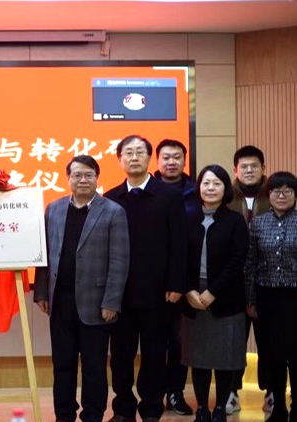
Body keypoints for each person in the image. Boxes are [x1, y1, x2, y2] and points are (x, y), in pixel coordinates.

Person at [34, 155, 130, 422]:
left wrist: (111, 301)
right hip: (60, 302)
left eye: (89, 175)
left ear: (97, 178)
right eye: (77, 175)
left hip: (96, 303)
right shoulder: (54, 209)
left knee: (94, 367)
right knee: (62, 365)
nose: (83, 180)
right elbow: (44, 254)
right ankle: (64, 415)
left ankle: (92, 415)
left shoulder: (113, 211)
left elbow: (120, 261)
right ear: (68, 179)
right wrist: (41, 292)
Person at [104, 134, 187, 422]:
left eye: (140, 151)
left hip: (158, 292)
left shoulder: (169, 196)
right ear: (120, 159)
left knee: (154, 354)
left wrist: (176, 283)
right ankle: (123, 408)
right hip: (120, 293)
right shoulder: (111, 198)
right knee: (121, 355)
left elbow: (179, 243)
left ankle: (151, 408)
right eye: (128, 152)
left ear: (150, 158)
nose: (134, 157)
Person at [181, 164, 249, 422]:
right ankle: (202, 408)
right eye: (206, 183)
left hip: (225, 296)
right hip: (192, 296)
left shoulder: (235, 220)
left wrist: (213, 291)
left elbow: (238, 259)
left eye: (217, 183)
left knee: (225, 357)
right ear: (198, 187)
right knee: (198, 357)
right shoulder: (187, 218)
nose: (210, 188)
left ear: (225, 188)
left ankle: (220, 407)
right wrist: (188, 289)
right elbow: (178, 258)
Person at [245, 171, 297, 422]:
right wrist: (250, 300)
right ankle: (278, 406)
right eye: (276, 191)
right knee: (273, 354)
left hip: (295, 296)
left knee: (295, 354)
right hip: (267, 297)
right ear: (269, 195)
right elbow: (251, 265)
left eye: (288, 190)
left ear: (295, 195)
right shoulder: (258, 223)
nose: (282, 195)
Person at [154, 139, 201, 416]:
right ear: (157, 161)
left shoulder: (198, 192)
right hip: (152, 280)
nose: (171, 162)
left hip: (186, 279)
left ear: (185, 160)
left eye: (176, 157)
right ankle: (153, 394)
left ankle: (175, 392)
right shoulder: (148, 190)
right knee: (154, 340)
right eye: (166, 157)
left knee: (179, 341)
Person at [225, 145, 273, 414]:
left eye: (254, 166)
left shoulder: (275, 193)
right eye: (244, 166)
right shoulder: (226, 195)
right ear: (236, 170)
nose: (249, 170)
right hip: (234, 282)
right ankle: (231, 392)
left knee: (269, 340)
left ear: (263, 168)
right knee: (234, 341)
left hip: (268, 281)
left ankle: (272, 391)